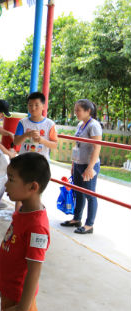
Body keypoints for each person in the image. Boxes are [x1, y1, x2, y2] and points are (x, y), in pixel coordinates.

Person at [0, 152, 51, 311]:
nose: (6, 185)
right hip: (9, 292)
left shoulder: (37, 227)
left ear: (33, 187)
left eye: (11, 179)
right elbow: (16, 243)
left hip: (19, 299)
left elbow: (34, 272)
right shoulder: (23, 212)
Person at [60, 99, 102, 234]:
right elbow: (77, 145)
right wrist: (73, 164)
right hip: (78, 163)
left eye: (78, 110)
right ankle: (77, 219)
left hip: (88, 165)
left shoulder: (94, 125)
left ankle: (89, 224)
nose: (75, 112)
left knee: (90, 194)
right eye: (75, 110)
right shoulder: (80, 124)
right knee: (78, 192)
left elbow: (97, 148)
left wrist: (90, 168)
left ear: (88, 111)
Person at [13, 92, 58, 211]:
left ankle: (32, 218)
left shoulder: (49, 124)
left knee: (36, 193)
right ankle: (17, 218)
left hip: (40, 165)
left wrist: (41, 140)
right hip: (23, 163)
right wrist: (26, 135)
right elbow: (16, 142)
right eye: (30, 105)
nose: (33, 108)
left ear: (43, 106)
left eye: (36, 105)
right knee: (19, 192)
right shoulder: (23, 123)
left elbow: (54, 145)